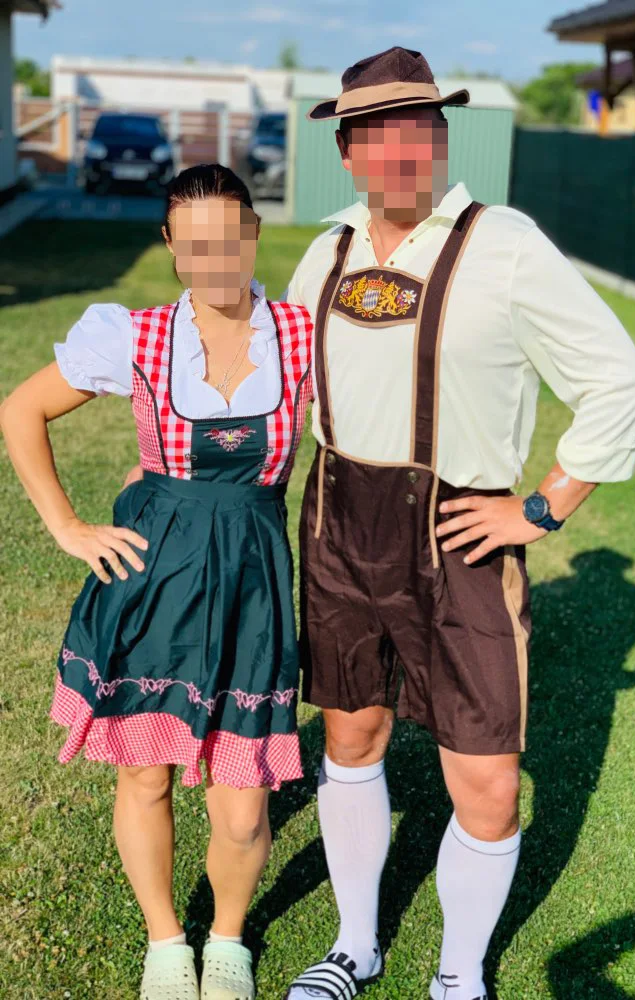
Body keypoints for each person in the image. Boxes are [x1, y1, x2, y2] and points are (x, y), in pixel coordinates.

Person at [282, 47, 635, 1000]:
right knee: (351, 740)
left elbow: (618, 382)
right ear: (348, 150)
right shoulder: (325, 252)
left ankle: (459, 974)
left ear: (440, 140)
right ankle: (356, 946)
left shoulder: (506, 244)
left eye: (417, 130)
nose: (398, 152)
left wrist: (542, 506)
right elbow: (284, 387)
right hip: (337, 525)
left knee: (486, 783)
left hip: (459, 538)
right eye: (375, 135)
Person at [0, 163, 313, 1000]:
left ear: (253, 235)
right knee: (146, 773)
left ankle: (229, 939)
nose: (215, 259)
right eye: (194, 243)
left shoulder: (301, 333)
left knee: (243, 806)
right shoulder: (134, 337)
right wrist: (67, 527)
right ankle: (166, 942)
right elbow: (20, 409)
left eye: (230, 238)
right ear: (172, 246)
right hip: (153, 580)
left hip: (251, 581)